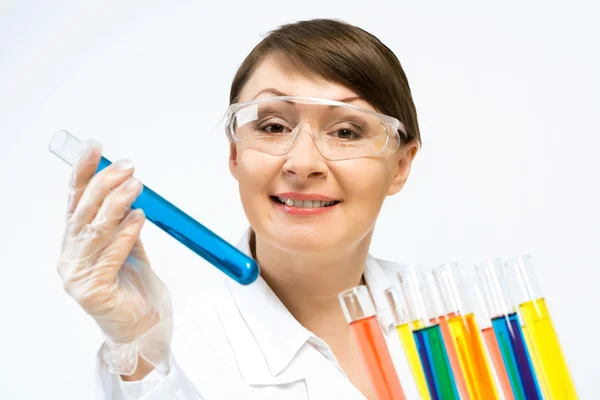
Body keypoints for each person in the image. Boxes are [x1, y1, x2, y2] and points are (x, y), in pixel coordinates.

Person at [56, 18, 422, 399]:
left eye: (346, 132)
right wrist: (140, 354)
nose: (302, 162)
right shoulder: (182, 354)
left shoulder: (463, 317)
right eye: (274, 126)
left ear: (400, 166)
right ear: (235, 153)